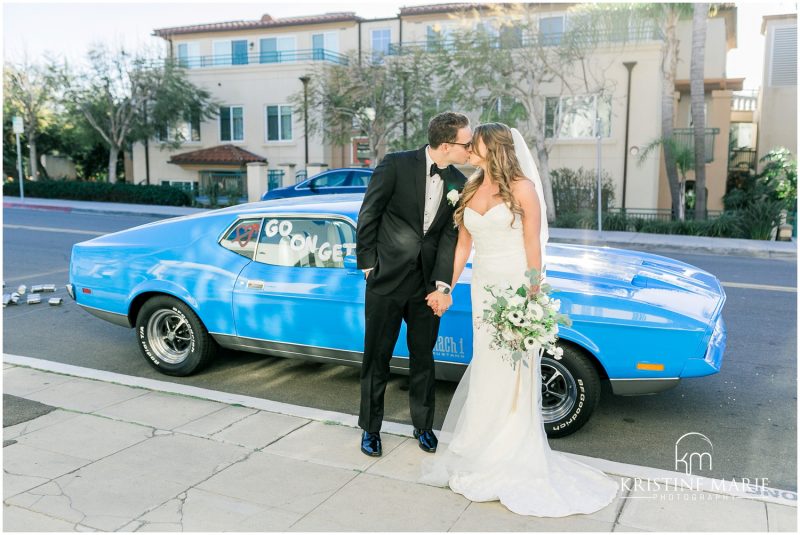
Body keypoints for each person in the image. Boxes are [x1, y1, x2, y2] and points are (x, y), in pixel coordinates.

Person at [419, 123, 619, 517]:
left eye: (474, 146)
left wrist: (532, 297)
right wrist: (447, 287)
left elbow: (532, 245)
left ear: (494, 149)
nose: (469, 151)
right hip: (483, 289)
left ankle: (509, 449)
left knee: (513, 369)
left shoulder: (523, 188)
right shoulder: (472, 186)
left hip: (513, 287)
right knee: (489, 366)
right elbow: (464, 243)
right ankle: (481, 442)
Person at [356, 112, 471, 457]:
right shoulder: (395, 165)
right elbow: (369, 214)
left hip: (427, 287)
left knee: (424, 357)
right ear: (447, 145)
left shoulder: (459, 183)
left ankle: (423, 426)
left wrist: (443, 285)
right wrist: (367, 265)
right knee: (377, 358)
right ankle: (370, 429)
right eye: (466, 144)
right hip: (385, 280)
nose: (469, 150)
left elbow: (450, 237)